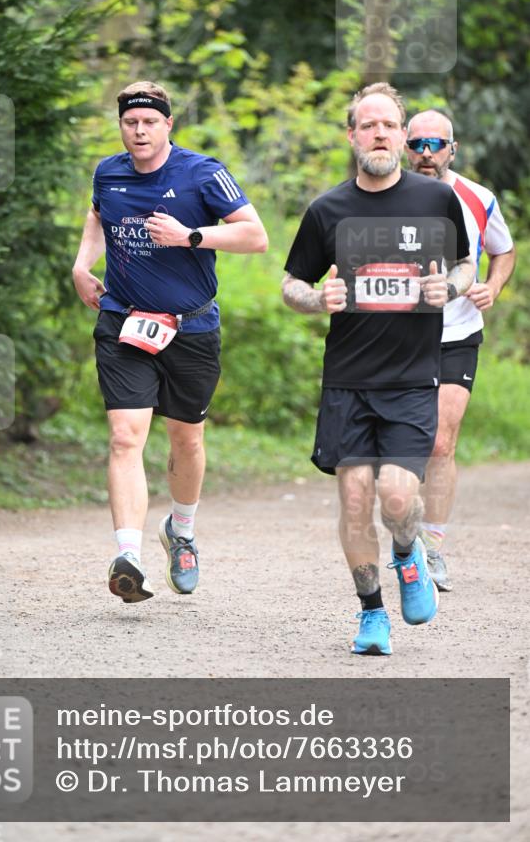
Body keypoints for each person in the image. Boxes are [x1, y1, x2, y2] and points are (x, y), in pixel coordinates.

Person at [282, 83, 474, 656]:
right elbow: (292, 284)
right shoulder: (327, 210)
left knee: (395, 497)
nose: (380, 134)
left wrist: (451, 287)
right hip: (347, 378)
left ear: (402, 132)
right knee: (355, 496)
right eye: (368, 126)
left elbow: (466, 264)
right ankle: (371, 615)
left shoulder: (435, 201)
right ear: (352, 136)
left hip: (413, 376)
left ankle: (408, 550)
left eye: (389, 125)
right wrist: (319, 300)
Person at [72, 81, 268, 604]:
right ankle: (129, 557)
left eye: (149, 122)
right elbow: (97, 216)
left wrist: (191, 236)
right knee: (124, 437)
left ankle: (181, 530)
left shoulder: (202, 172)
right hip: (123, 322)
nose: (139, 131)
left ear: (167, 125)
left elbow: (255, 235)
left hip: (191, 327)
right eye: (130, 122)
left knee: (187, 440)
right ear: (121, 126)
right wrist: (80, 265)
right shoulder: (108, 172)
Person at [406, 110, 515, 591]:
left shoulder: (478, 198)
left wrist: (493, 285)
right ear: (406, 148)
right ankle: (401, 534)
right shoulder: (381, 195)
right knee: (401, 443)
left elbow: (504, 250)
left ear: (454, 148)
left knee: (440, 442)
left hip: (456, 333)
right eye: (417, 144)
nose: (426, 152)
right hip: (396, 338)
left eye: (436, 143)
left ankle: (431, 549)